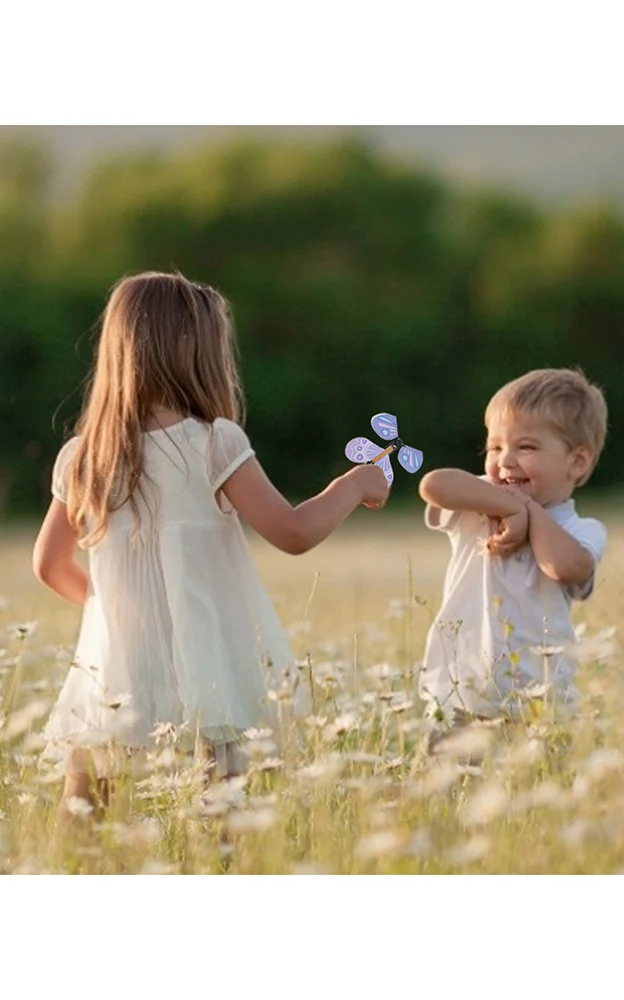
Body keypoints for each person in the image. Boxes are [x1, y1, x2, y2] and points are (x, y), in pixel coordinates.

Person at [32, 271, 388, 817]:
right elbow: (291, 533)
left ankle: (77, 876)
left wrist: (125, 612)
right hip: (209, 647)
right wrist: (353, 483)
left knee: (89, 794)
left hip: (119, 653)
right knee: (221, 790)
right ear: (197, 354)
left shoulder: (84, 456)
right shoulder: (214, 443)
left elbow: (50, 565)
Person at [417, 368, 608, 729]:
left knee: (537, 783)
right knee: (451, 784)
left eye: (526, 447)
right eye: (495, 446)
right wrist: (510, 505)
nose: (505, 460)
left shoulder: (582, 530)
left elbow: (564, 568)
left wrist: (529, 511)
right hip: (459, 693)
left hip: (539, 702)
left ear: (577, 461)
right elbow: (433, 485)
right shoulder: (478, 506)